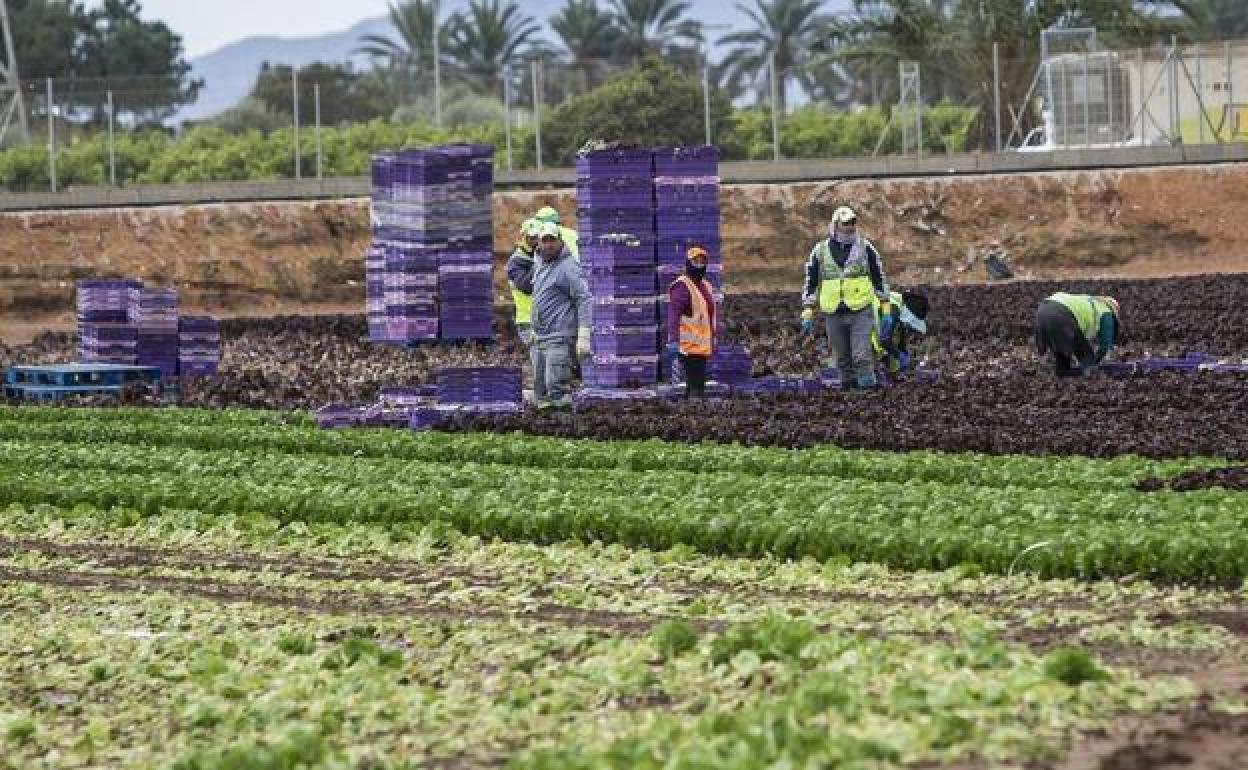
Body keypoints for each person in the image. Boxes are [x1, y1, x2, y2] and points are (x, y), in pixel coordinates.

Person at [800, 205, 890, 389]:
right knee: (842, 358)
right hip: (833, 311)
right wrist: (808, 308)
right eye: (846, 223)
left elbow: (878, 275)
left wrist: (885, 303)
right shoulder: (820, 251)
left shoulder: (865, 248)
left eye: (853, 223)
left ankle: (868, 389)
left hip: (860, 309)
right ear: (836, 225)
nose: (850, 227)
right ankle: (849, 390)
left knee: (861, 356)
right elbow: (812, 279)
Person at [530, 222, 591, 408]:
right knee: (540, 392)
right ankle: (547, 424)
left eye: (552, 240)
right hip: (540, 337)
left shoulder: (568, 267)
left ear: (560, 241)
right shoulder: (540, 264)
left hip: (560, 336)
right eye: (545, 240)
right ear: (539, 243)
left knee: (556, 388)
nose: (549, 245)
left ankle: (566, 421)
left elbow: (584, 299)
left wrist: (584, 333)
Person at [664, 245, 717, 398]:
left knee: (695, 385)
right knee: (696, 385)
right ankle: (695, 408)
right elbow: (674, 315)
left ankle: (689, 407)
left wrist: (713, 336)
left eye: (702, 262)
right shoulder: (682, 286)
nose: (699, 265)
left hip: (702, 346)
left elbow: (708, 315)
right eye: (695, 261)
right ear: (688, 263)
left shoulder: (706, 285)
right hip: (688, 347)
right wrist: (673, 340)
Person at [1035, 292, 1121, 377]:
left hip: (1042, 310)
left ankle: (1062, 372)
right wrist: (1096, 361)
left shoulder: (1088, 300)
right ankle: (1090, 375)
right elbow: (1104, 345)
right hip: (1061, 313)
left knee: (1061, 350)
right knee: (1086, 355)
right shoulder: (1106, 312)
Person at [873, 289, 929, 375]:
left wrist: (903, 356)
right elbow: (884, 340)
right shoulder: (892, 311)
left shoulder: (900, 309)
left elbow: (900, 343)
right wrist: (900, 357)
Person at [506, 218, 542, 347]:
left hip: (547, 319)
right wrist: (538, 262)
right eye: (532, 238)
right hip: (528, 321)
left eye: (538, 238)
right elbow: (526, 286)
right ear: (524, 237)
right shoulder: (516, 262)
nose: (536, 242)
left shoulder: (545, 258)